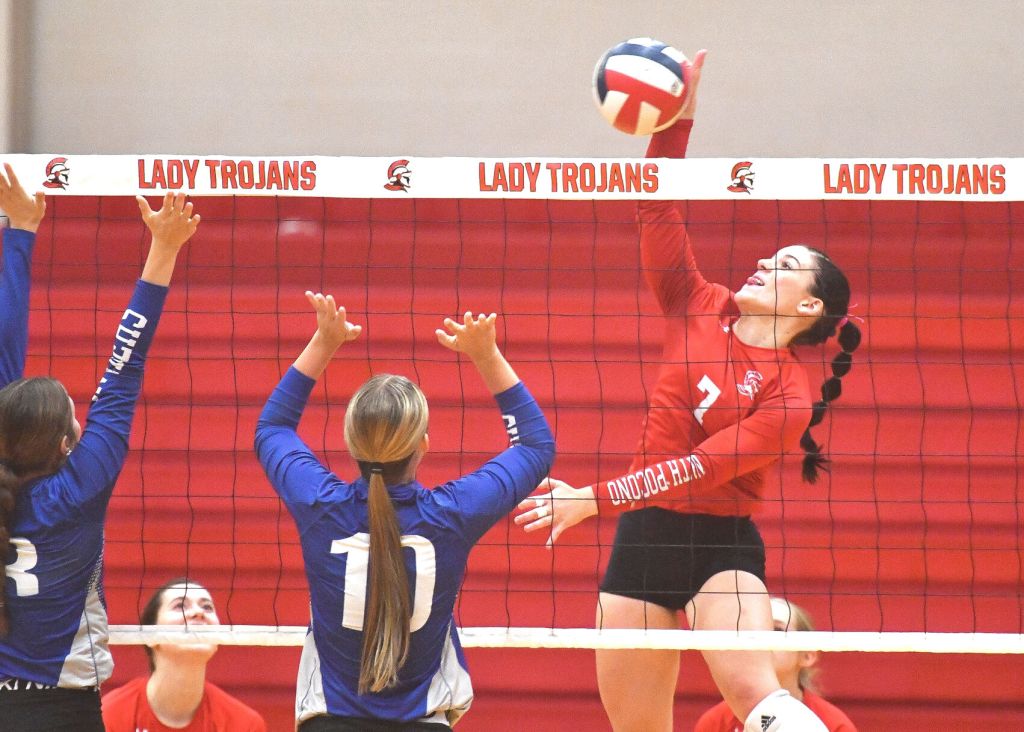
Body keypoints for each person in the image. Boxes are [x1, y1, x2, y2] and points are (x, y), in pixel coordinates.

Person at [515, 50, 861, 732]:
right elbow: (657, 205)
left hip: (721, 548)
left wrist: (590, 499)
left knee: (761, 702)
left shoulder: (788, 397)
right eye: (770, 256)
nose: (764, 262)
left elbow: (698, 469)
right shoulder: (696, 304)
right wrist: (678, 120)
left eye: (785, 265)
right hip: (644, 538)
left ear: (810, 308)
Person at [255, 297, 554, 730]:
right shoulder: (453, 515)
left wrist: (324, 341)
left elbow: (273, 428)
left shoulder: (319, 505)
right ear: (423, 445)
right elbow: (535, 446)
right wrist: (486, 355)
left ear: (351, 444)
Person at [0, 168, 199, 732]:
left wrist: (20, 232)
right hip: (63, 711)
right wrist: (164, 246)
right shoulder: (79, 490)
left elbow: (6, 355)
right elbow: (123, 365)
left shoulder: (61, 476)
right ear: (68, 444)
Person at [101, 577, 266, 731]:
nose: (198, 612)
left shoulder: (245, 724)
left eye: (207, 607)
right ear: (150, 635)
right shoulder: (109, 717)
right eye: (180, 606)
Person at [695, 598, 857, 731]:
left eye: (777, 630)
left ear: (807, 655)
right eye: (756, 630)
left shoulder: (834, 725)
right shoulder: (715, 722)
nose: (763, 639)